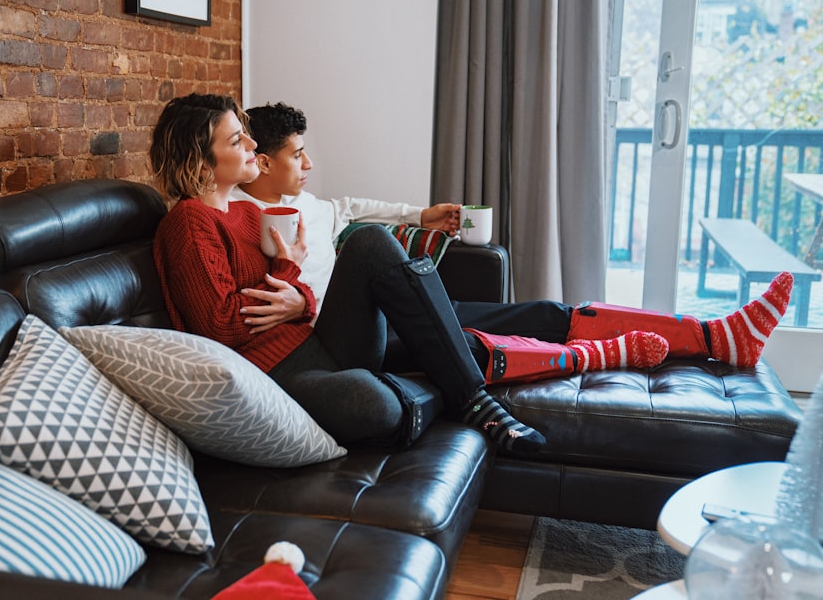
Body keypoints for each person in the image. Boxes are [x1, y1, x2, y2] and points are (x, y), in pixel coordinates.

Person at [232, 101, 795, 381]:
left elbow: (352, 208)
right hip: (361, 338)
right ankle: (614, 353)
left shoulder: (314, 205)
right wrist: (299, 301)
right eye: (295, 154)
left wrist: (421, 213)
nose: (309, 163)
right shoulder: (242, 222)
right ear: (260, 162)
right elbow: (248, 313)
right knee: (484, 337)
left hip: (408, 310)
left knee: (549, 311)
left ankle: (713, 335)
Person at [149, 92, 554, 452]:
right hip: (272, 376)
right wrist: (290, 272)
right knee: (374, 405)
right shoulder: (189, 223)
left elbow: (285, 293)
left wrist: (300, 302)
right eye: (238, 140)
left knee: (372, 241)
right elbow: (219, 326)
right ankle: (444, 387)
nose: (253, 146)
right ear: (201, 161)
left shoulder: (243, 212)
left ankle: (472, 399)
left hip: (317, 343)